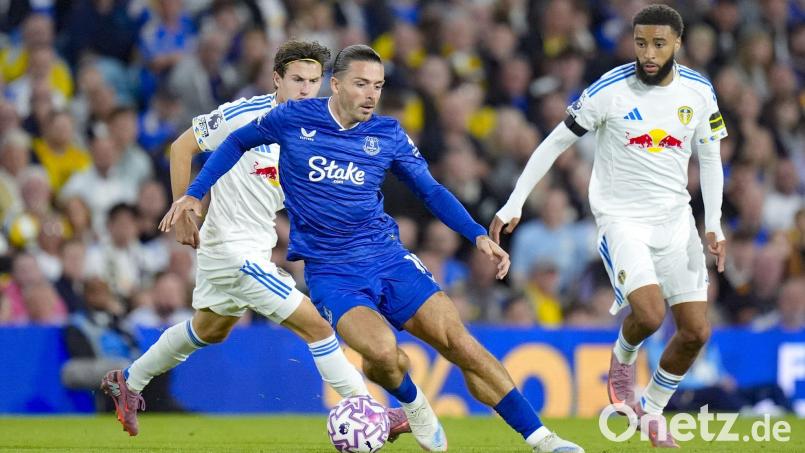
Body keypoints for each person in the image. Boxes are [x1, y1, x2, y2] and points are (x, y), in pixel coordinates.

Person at [164, 44, 584, 453]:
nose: (371, 95)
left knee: (460, 343)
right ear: (337, 84)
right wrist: (194, 195)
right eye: (362, 84)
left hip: (387, 258)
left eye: (378, 86)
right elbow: (236, 142)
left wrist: (476, 234)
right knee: (384, 354)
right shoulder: (293, 117)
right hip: (333, 274)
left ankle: (543, 440)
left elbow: (430, 190)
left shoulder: (387, 134)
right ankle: (414, 403)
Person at [101, 41, 408, 440]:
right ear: (277, 79)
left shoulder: (318, 129)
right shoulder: (243, 115)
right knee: (318, 325)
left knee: (210, 329)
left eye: (314, 81)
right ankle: (371, 411)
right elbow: (181, 147)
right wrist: (185, 208)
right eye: (297, 79)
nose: (305, 89)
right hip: (232, 251)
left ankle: (128, 380)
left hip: (252, 245)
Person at [490, 5, 727, 448]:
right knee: (651, 314)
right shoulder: (610, 89)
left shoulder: (699, 90)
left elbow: (710, 156)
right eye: (641, 43)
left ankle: (652, 410)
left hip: (676, 220)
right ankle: (622, 361)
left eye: (659, 44)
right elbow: (556, 140)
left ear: (678, 42)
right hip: (622, 220)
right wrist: (514, 202)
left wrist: (713, 223)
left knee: (696, 331)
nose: (649, 53)